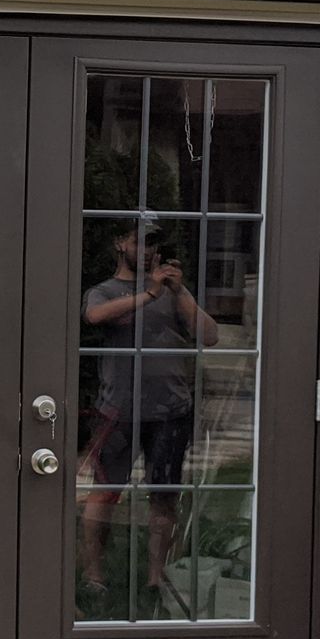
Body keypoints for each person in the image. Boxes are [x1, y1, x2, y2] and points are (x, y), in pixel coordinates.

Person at [78, 220, 219, 615]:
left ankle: (156, 577)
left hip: (170, 411)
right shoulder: (105, 290)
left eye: (154, 242)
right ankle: (94, 574)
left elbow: (209, 336)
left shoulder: (174, 293)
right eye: (140, 241)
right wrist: (149, 292)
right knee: (104, 493)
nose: (149, 249)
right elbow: (95, 316)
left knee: (164, 496)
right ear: (119, 244)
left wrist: (178, 292)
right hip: (118, 411)